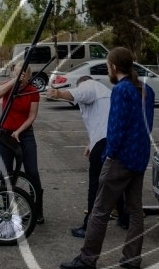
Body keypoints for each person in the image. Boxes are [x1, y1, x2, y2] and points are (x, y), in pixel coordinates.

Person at [60, 47, 155, 269]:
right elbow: (148, 125)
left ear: (113, 66)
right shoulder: (146, 90)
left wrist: (109, 154)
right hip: (139, 157)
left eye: (107, 65)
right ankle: (132, 258)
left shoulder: (121, 90)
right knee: (135, 210)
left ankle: (87, 258)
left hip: (120, 158)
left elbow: (116, 128)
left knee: (100, 210)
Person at [47, 76, 127, 238]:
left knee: (95, 185)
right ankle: (125, 218)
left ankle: (89, 226)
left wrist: (60, 94)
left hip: (104, 143)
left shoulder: (89, 85)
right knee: (114, 182)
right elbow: (101, 121)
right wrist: (91, 144)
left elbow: (79, 93)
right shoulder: (106, 93)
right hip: (114, 140)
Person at [0, 62, 45, 224]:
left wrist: (19, 131)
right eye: (16, 73)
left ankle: (37, 210)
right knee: (6, 173)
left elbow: (32, 116)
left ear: (29, 76)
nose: (20, 77)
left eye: (22, 74)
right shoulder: (8, 86)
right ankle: (7, 209)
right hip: (5, 134)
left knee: (32, 172)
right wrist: (14, 81)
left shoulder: (32, 91)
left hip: (25, 134)